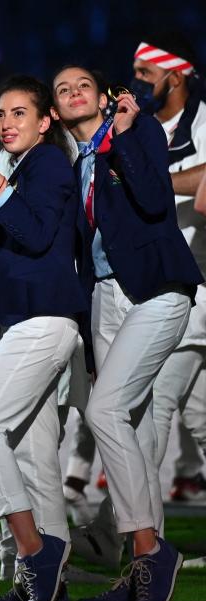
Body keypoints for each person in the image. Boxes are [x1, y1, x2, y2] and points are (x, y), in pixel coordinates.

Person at [52, 63, 202, 601]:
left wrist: (123, 134)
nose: (72, 93)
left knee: (106, 411)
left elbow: (154, 198)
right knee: (130, 427)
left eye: (83, 85)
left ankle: (147, 547)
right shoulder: (68, 162)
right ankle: (144, 571)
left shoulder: (136, 133)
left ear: (102, 96)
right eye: (62, 89)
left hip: (157, 289)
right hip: (105, 299)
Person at [0, 75, 86, 601]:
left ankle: (36, 553)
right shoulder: (13, 170)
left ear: (45, 121)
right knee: (34, 458)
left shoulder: (49, 164)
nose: (7, 123)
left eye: (19, 114)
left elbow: (35, 235)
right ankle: (46, 587)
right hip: (20, 325)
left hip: (46, 320)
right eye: (2, 114)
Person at [134, 33, 206, 508]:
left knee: (155, 403)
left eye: (145, 73)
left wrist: (152, 181)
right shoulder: (139, 127)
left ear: (174, 77)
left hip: (195, 287)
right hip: (159, 286)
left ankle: (134, 535)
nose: (136, 82)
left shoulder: (204, 122)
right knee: (200, 417)